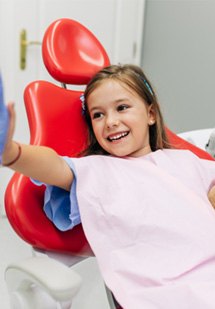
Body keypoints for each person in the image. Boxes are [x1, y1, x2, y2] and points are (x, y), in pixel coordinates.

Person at [1, 64, 215, 309]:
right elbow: (54, 166)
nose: (110, 122)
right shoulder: (97, 170)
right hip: (168, 291)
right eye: (98, 115)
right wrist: (12, 153)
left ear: (151, 114)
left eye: (122, 108)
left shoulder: (185, 160)